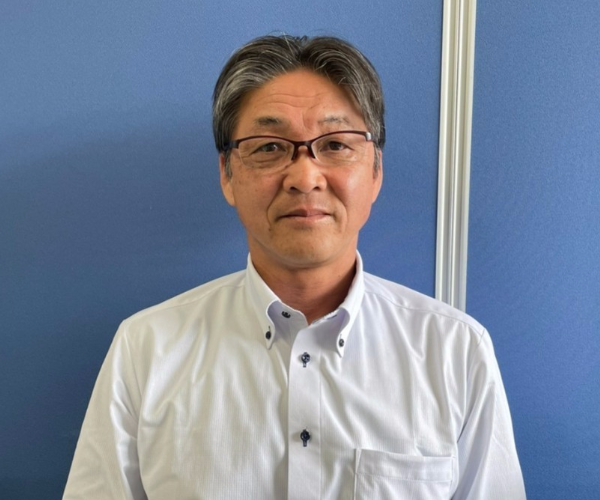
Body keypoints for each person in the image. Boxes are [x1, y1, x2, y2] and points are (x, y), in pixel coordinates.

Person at [63, 34, 526, 499]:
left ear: (376, 171)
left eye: (336, 144)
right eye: (269, 147)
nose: (305, 178)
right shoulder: (146, 350)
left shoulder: (455, 352)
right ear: (227, 174)